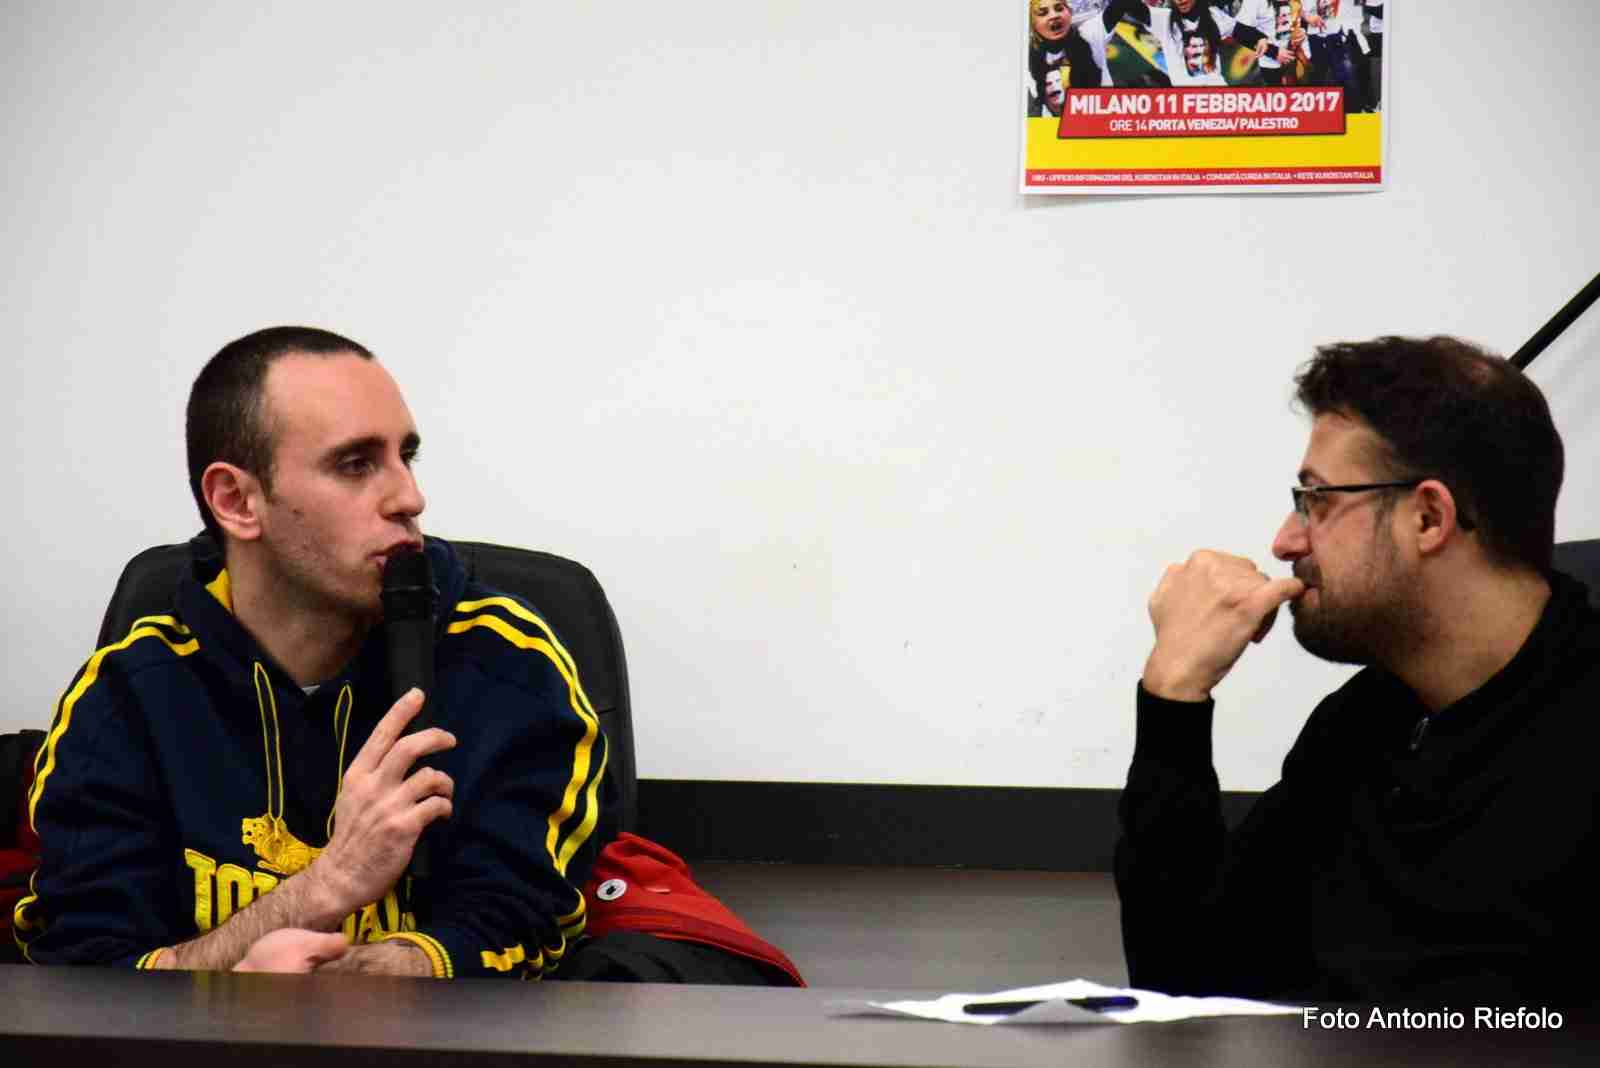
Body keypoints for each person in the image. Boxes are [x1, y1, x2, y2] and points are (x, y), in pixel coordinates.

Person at [15, 326, 608, 978]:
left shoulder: (508, 663)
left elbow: (520, 924)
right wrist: (325, 887)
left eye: (406, 456)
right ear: (237, 501)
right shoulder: (125, 696)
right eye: (356, 464)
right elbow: (87, 975)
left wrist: (346, 982)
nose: (410, 497)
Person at [1117, 335, 1600, 1006]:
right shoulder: (1364, 723)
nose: (1285, 541)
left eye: (1316, 500)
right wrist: (1174, 695)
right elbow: (1185, 983)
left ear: (1428, 517)